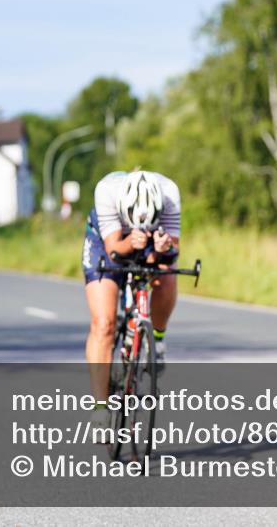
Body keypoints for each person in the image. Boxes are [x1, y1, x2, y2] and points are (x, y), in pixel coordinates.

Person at [81, 171, 181, 414]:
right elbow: (114, 248)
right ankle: (100, 407)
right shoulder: (106, 191)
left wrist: (161, 248)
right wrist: (130, 243)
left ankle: (156, 339)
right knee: (103, 323)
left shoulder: (169, 192)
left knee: (167, 276)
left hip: (148, 240)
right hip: (106, 242)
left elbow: (174, 250)